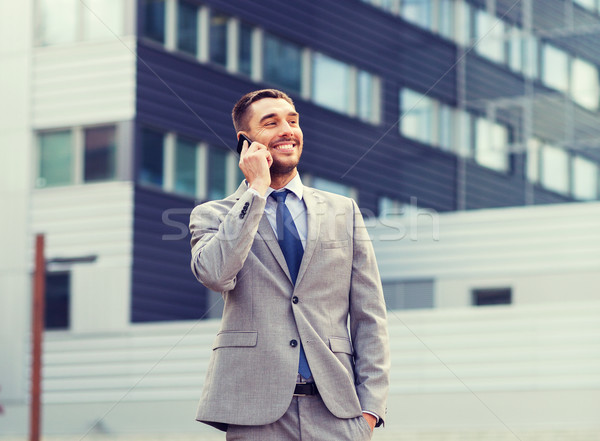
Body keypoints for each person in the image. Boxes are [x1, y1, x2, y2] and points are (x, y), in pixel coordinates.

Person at [189, 89, 390, 440]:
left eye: (292, 121)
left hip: (338, 413)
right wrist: (256, 192)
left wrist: (371, 409)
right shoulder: (215, 215)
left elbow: (369, 316)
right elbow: (215, 275)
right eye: (271, 123)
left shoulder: (343, 211)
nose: (287, 130)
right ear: (245, 142)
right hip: (255, 413)